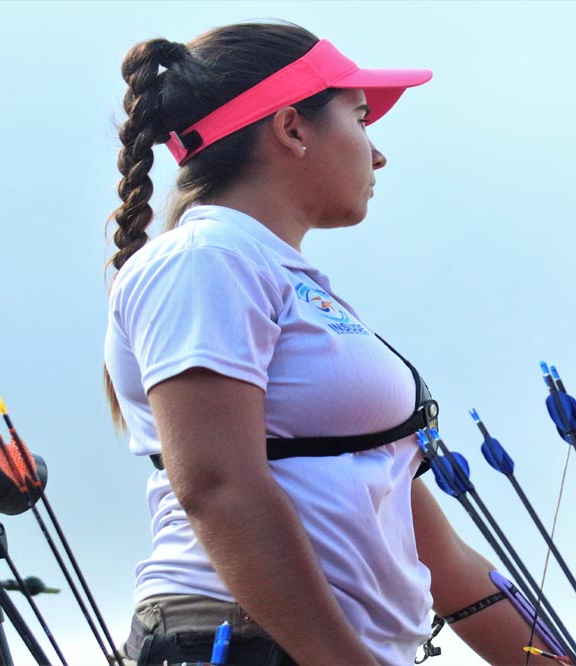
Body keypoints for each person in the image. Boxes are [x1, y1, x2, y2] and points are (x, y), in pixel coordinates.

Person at [102, 21, 538, 666]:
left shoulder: (278, 276)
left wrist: (550, 658)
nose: (378, 153)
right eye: (360, 118)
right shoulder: (205, 260)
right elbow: (219, 486)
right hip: (239, 644)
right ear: (292, 128)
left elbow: (434, 552)